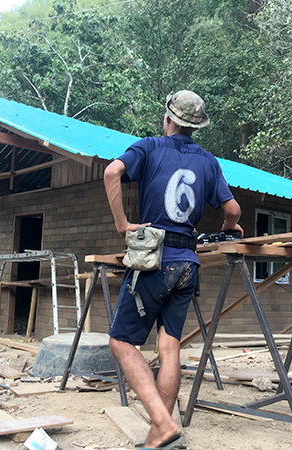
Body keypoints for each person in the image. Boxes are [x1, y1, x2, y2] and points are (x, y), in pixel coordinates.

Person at [103, 90, 243, 450]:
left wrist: (122, 224)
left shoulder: (149, 146)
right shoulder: (209, 162)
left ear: (168, 119)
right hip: (187, 263)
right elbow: (233, 212)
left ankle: (163, 425)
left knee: (120, 341)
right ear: (197, 127)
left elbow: (112, 172)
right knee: (170, 347)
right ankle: (158, 436)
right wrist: (229, 230)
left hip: (155, 260)